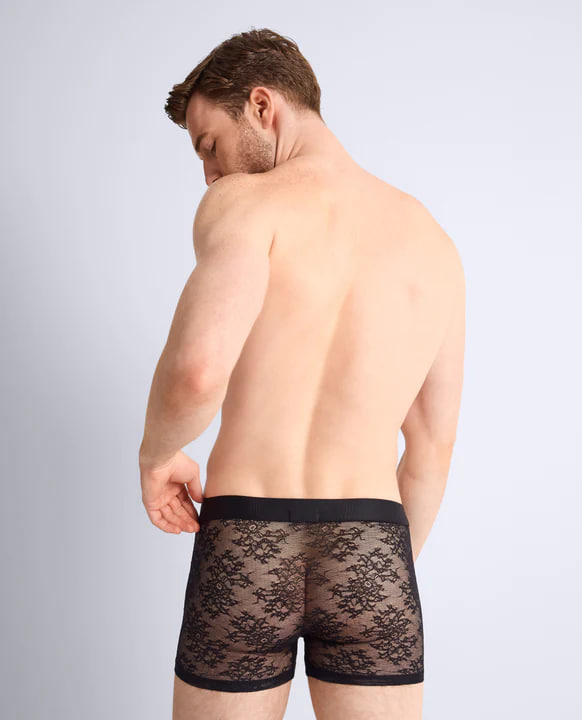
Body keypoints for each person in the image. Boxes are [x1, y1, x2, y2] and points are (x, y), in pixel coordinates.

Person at [138, 27, 465, 720]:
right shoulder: (433, 242)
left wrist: (157, 455)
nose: (210, 173)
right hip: (373, 542)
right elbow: (432, 451)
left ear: (262, 105)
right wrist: (376, 571)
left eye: (209, 145)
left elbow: (197, 369)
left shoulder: (245, 206)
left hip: (249, 537)